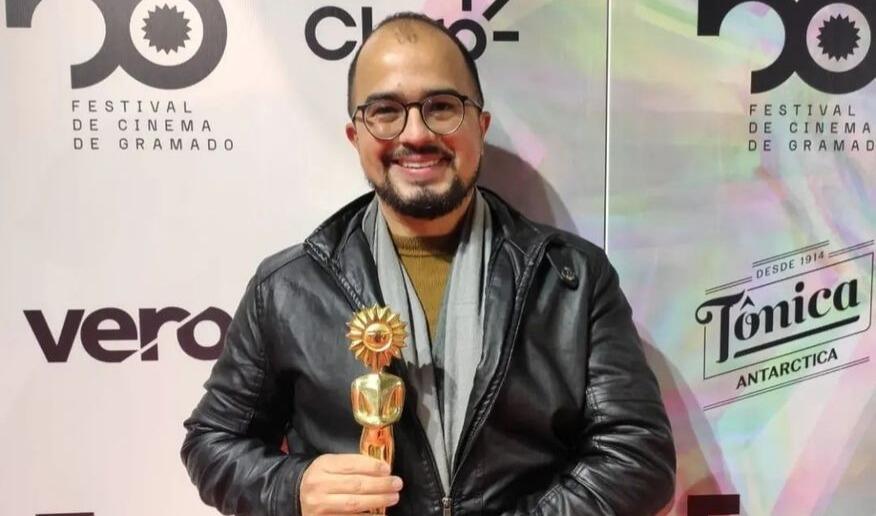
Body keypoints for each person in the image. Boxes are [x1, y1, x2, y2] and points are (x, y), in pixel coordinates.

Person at [181, 11, 675, 516]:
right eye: (385, 111)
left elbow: (638, 455)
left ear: (481, 126)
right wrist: (292, 487)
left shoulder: (573, 279)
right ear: (356, 136)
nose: (415, 134)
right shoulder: (287, 288)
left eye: (441, 107)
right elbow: (212, 441)